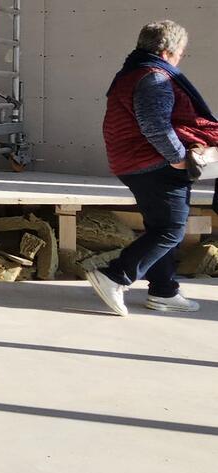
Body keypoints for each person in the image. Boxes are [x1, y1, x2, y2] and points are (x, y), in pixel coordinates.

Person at [89, 20, 218, 315]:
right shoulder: (153, 78)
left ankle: (163, 291)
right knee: (171, 230)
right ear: (166, 51)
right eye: (180, 53)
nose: (180, 59)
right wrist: (177, 158)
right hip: (153, 163)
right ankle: (114, 276)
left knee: (160, 227)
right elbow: (155, 125)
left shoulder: (134, 72)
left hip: (138, 160)